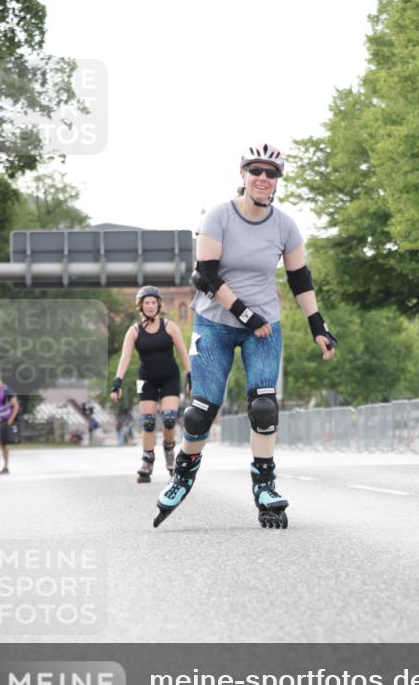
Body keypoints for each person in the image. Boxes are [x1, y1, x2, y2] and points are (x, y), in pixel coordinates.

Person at [155, 144, 337, 529]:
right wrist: (246, 315)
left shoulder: (285, 226)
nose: (263, 178)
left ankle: (265, 486)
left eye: (271, 173)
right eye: (256, 170)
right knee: (200, 411)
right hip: (214, 323)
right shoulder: (219, 216)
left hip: (265, 327)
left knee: (264, 406)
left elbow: (300, 279)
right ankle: (183, 474)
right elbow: (204, 276)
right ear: (243, 174)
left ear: (276, 182)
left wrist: (318, 327)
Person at [110, 286, 192, 482]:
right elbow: (125, 357)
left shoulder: (170, 326)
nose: (150, 306)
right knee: (147, 422)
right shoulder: (134, 331)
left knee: (170, 418)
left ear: (158, 305)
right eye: (146, 302)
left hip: (169, 378)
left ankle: (170, 453)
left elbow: (183, 353)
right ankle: (147, 461)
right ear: (141, 306)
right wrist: (117, 382)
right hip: (145, 380)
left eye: (153, 302)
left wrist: (190, 376)